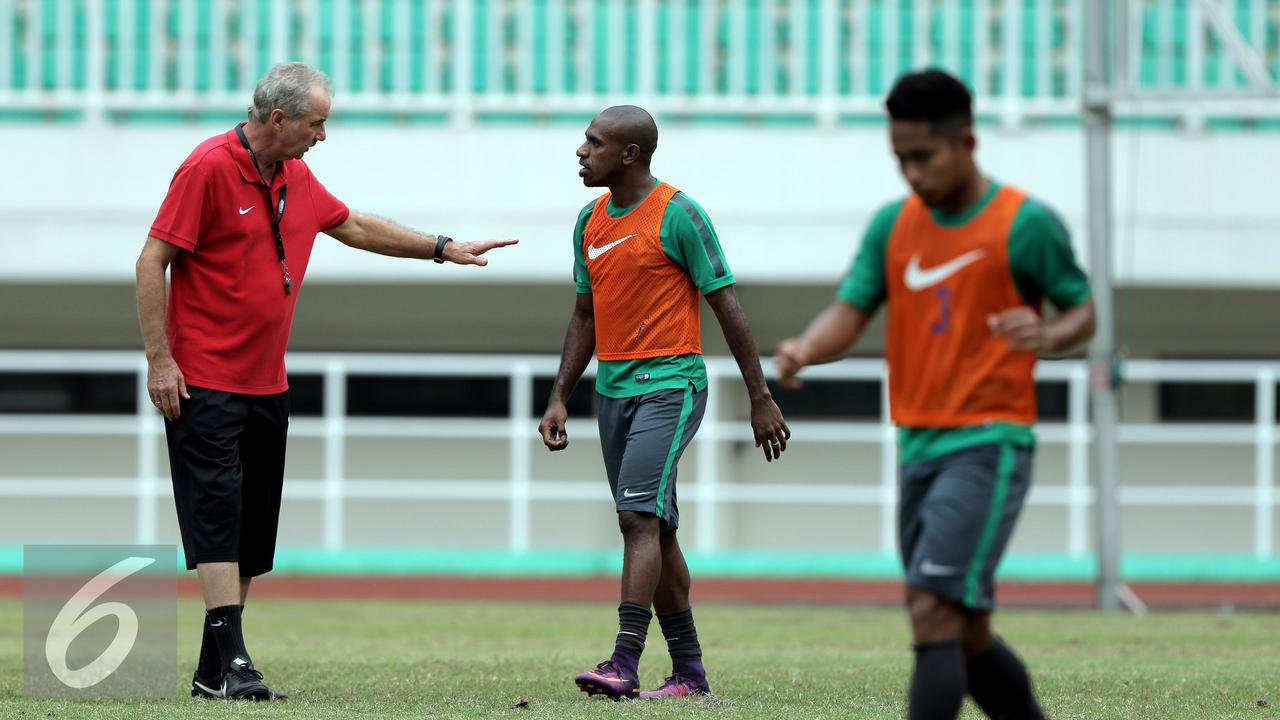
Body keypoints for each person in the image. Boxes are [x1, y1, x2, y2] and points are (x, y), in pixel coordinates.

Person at [135, 62, 515, 701]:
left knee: (252, 530)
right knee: (215, 516)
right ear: (278, 119)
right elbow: (153, 260)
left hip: (266, 383)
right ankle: (235, 666)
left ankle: (212, 671)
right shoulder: (207, 166)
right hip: (203, 381)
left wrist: (441, 248)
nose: (322, 136)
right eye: (317, 123)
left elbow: (356, 226)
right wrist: (159, 359)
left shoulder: (296, 174)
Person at [775, 69, 1095, 720]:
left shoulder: (1025, 223)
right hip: (917, 442)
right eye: (900, 159)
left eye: (923, 157)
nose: (911, 173)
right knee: (965, 631)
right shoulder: (893, 226)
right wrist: (806, 347)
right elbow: (852, 306)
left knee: (930, 606)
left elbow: (1083, 312)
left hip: (990, 440)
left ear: (967, 141)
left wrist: (1049, 332)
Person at [538, 105, 790, 701]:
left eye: (593, 143)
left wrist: (760, 398)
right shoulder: (588, 221)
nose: (581, 151)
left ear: (630, 154)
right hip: (612, 391)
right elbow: (584, 315)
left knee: (635, 519)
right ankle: (690, 674)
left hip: (671, 385)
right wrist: (558, 398)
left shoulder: (679, 215)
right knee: (659, 528)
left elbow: (728, 306)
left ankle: (623, 662)